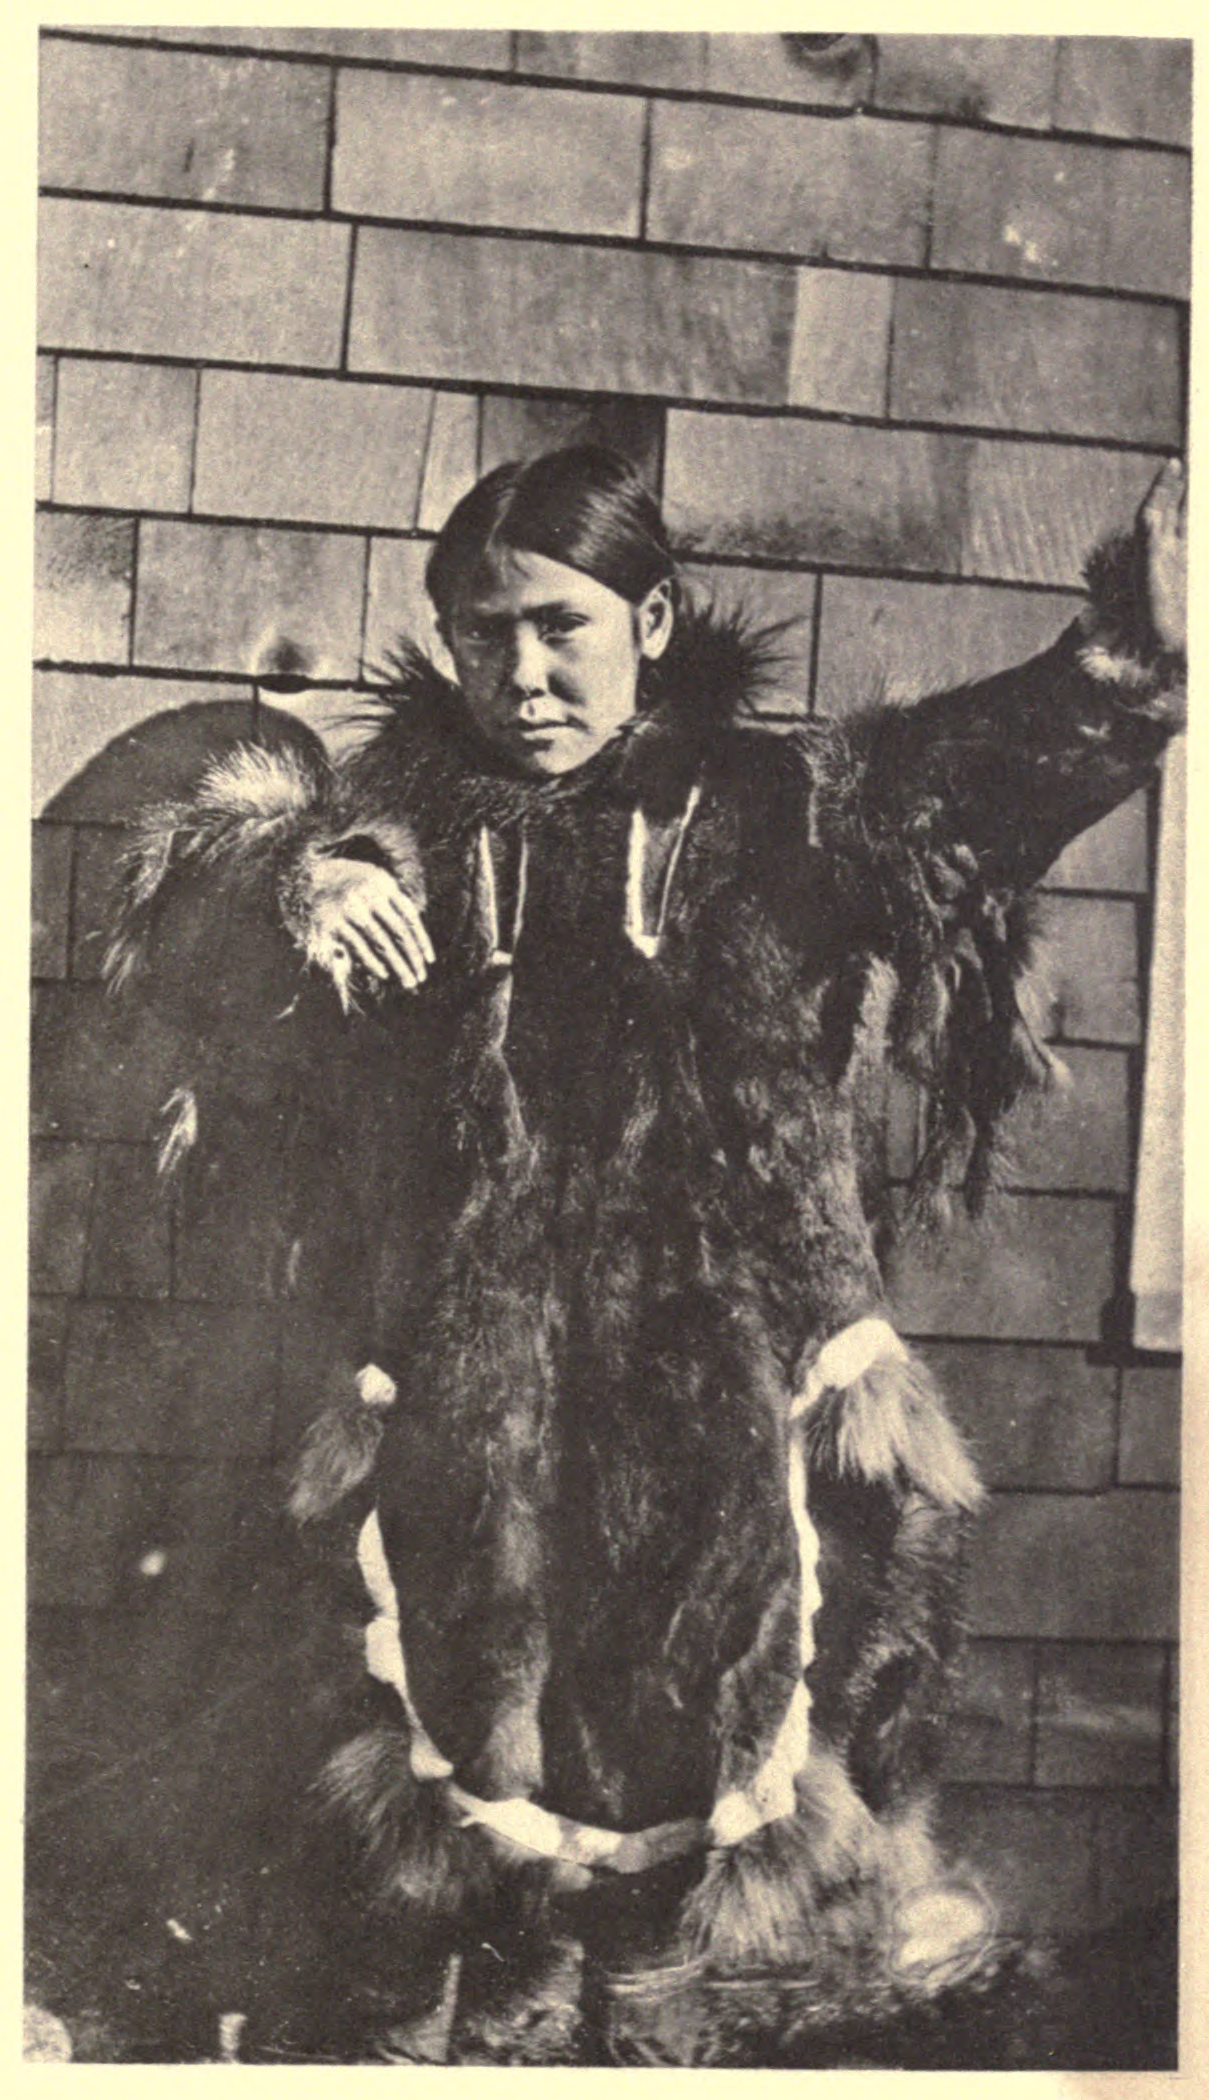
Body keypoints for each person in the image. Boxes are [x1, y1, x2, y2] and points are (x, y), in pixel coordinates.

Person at [107, 445, 1186, 2062]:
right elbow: (196, 907)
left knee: (699, 1723)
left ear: (653, 621)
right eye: (484, 632)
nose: (522, 673)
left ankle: (649, 2022)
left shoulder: (780, 807)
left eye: (563, 626)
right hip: (465, 1375)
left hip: (721, 1376)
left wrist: (1119, 659)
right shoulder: (400, 817)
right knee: (455, 1715)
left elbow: (974, 784)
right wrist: (294, 879)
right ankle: (465, 2013)